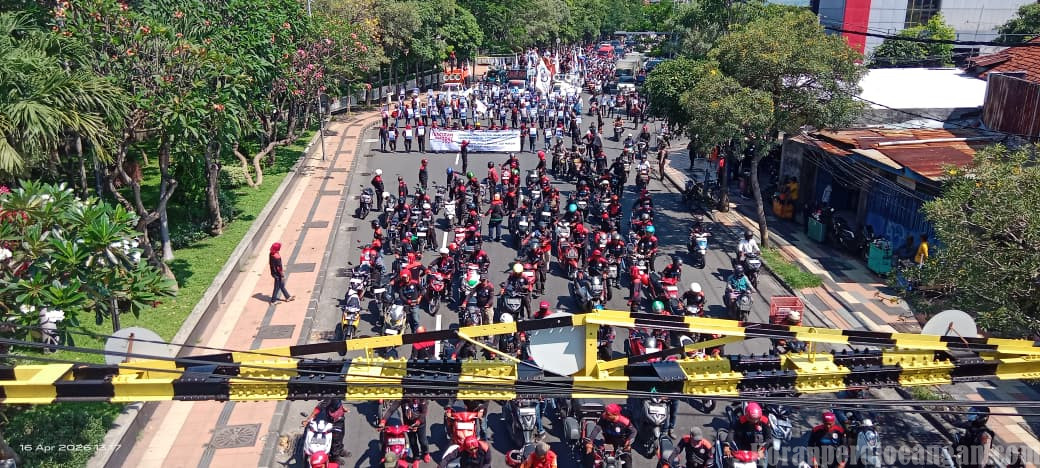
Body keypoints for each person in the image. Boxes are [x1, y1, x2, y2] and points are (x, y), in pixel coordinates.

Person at [583, 403, 635, 468]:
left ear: (615, 415)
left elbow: (634, 431)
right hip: (608, 443)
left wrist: (628, 441)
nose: (605, 415)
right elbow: (597, 428)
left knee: (627, 465)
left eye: (608, 414)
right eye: (605, 412)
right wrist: (590, 441)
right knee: (601, 461)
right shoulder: (604, 417)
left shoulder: (625, 422)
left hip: (622, 445)